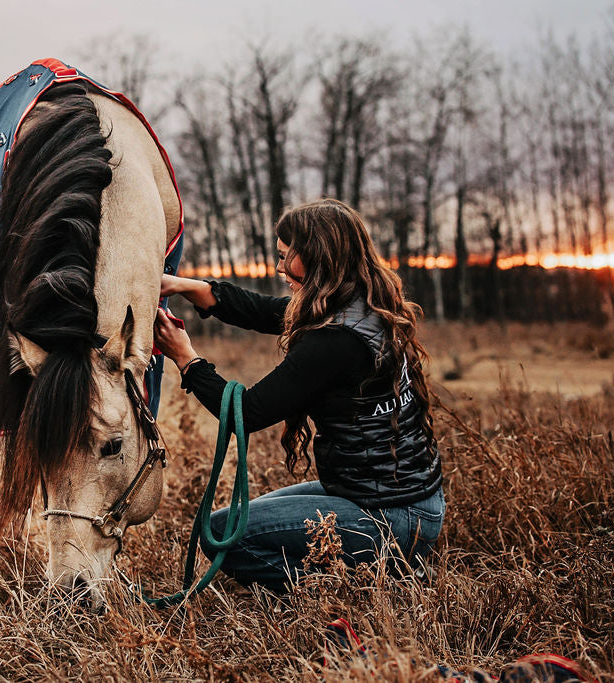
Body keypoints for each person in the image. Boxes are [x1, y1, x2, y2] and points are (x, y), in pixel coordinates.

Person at [153, 198, 444, 593]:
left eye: (286, 257)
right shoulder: (364, 304)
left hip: (390, 517)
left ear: (319, 257)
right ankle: (379, 566)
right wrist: (190, 288)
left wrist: (186, 359)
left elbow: (248, 412)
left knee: (222, 532)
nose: (278, 268)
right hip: (405, 504)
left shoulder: (334, 341)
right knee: (237, 520)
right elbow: (265, 311)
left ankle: (357, 587)